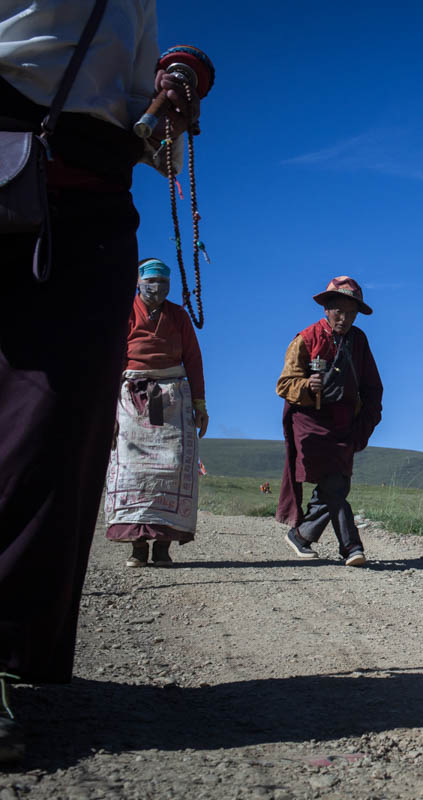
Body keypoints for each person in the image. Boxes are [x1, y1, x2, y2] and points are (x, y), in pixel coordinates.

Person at [0, 0, 201, 763]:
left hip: (90, 202)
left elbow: (119, 102)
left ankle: (6, 650)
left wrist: (165, 99)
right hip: (14, 156)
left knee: (48, 428)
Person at [104, 258, 207, 567]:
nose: (158, 287)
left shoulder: (178, 316)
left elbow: (193, 359)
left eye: (164, 282)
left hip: (172, 396)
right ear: (138, 282)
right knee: (133, 468)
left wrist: (200, 404)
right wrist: (107, 412)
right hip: (132, 397)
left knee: (172, 465)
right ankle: (137, 546)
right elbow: (111, 362)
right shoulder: (124, 313)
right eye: (152, 281)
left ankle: (163, 546)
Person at [276, 277, 383, 567]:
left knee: (335, 484)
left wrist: (368, 420)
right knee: (335, 484)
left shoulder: (358, 340)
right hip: (310, 422)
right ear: (326, 309)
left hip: (344, 422)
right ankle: (351, 547)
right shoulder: (306, 339)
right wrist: (307, 387)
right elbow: (285, 384)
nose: (344, 318)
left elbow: (373, 387)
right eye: (339, 310)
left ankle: (302, 534)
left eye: (351, 313)